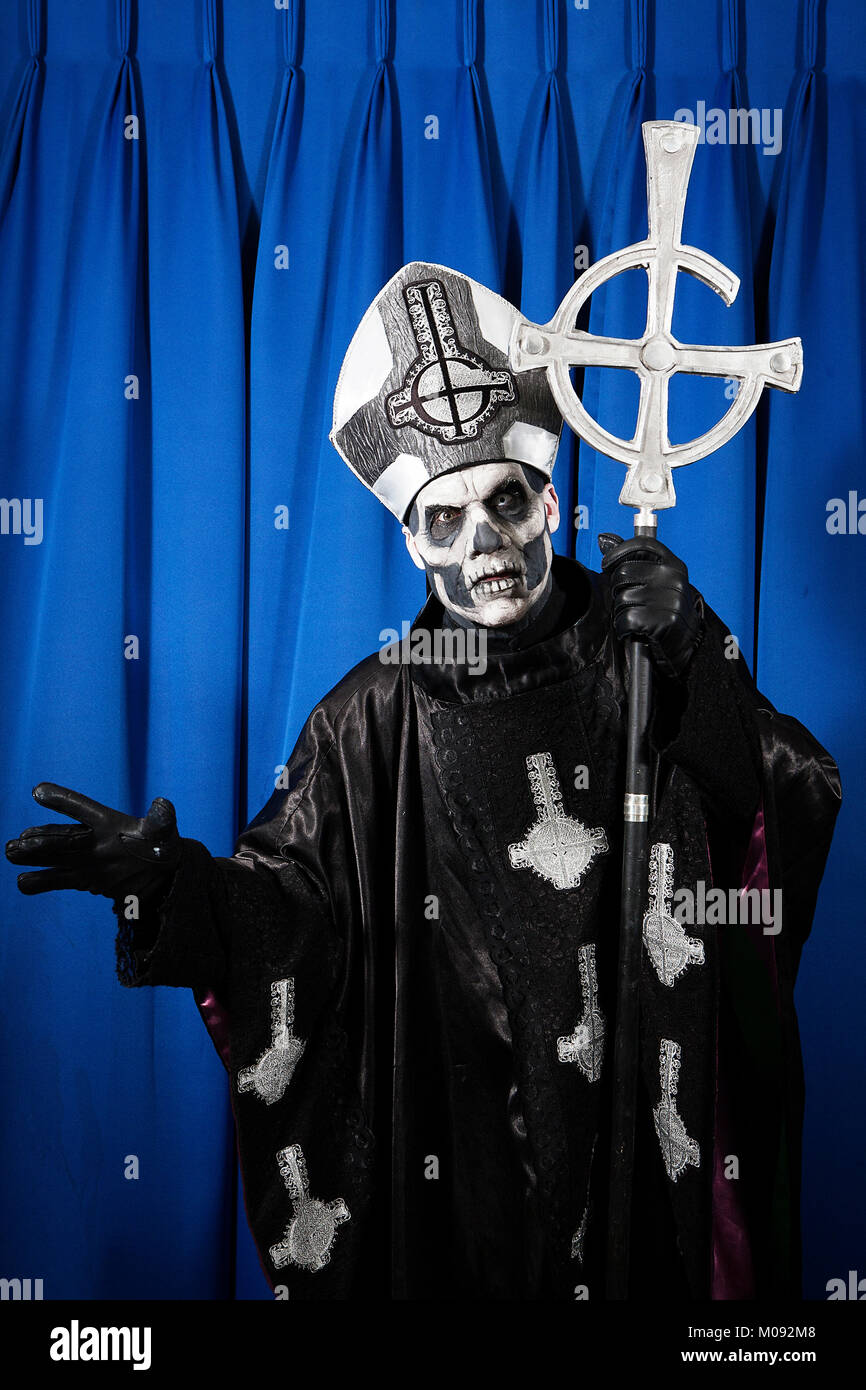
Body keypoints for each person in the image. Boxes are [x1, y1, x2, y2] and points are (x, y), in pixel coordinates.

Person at [6, 263, 840, 1301]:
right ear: (409, 537)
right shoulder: (368, 717)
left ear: (549, 498)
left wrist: (692, 653)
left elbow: (779, 800)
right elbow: (288, 917)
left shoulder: (643, 655)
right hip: (462, 1182)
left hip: (635, 1168)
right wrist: (172, 886)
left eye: (504, 502)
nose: (484, 543)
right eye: (443, 520)